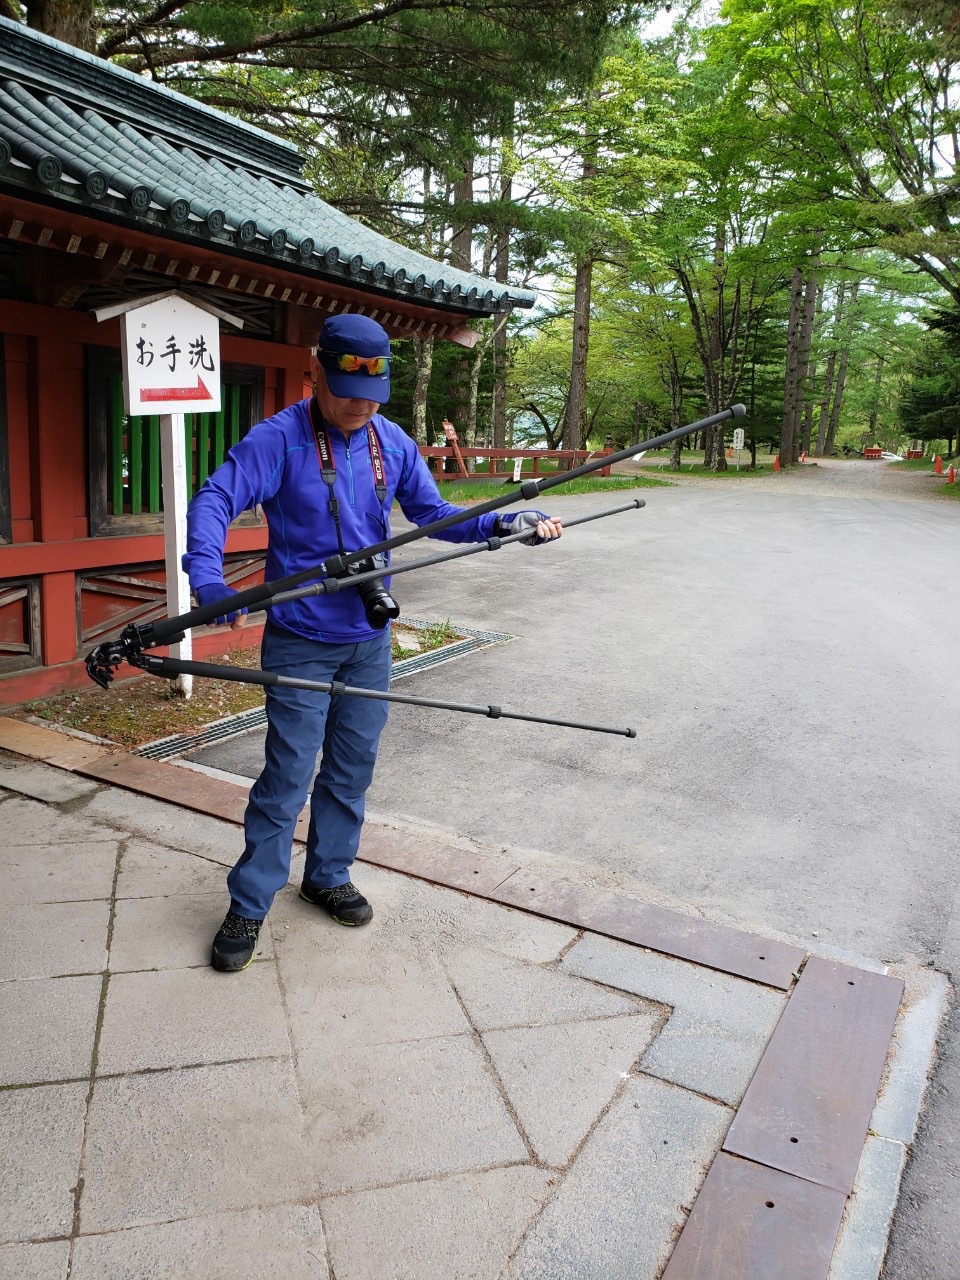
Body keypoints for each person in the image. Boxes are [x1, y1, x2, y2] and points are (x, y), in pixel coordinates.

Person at [183, 314, 562, 972]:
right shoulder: (280, 439)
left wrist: (507, 523)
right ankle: (250, 900)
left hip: (369, 638)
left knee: (352, 770)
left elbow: (435, 515)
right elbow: (218, 496)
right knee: (287, 777)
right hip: (300, 637)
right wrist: (209, 578)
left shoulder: (390, 442)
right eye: (346, 391)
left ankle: (327, 874)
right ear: (315, 373)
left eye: (373, 395)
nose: (360, 405)